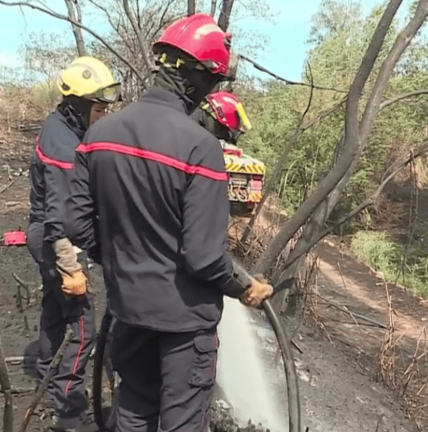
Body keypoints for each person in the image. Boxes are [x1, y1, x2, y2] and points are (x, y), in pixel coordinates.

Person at [65, 13, 273, 432]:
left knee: (134, 412)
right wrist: (244, 286)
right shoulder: (200, 147)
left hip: (128, 312)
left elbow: (76, 224)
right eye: (213, 83)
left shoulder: (100, 134)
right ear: (198, 80)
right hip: (184, 328)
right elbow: (203, 256)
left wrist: (122, 260)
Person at [25, 55, 120, 432]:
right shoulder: (64, 147)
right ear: (80, 105)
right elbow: (60, 218)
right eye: (99, 109)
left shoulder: (60, 125)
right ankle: (71, 411)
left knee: (53, 309)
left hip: (41, 235)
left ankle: (47, 374)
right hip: (54, 241)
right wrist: (71, 268)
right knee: (84, 326)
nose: (103, 115)